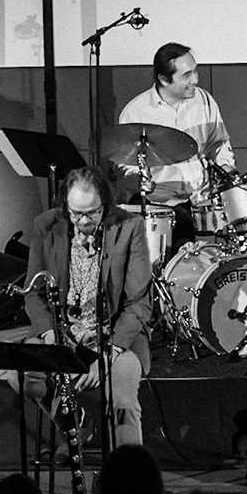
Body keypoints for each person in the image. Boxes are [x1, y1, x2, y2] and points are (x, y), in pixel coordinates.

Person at [22, 166, 153, 448]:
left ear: (104, 204)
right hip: (62, 335)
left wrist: (106, 356)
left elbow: (139, 303)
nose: (83, 221)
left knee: (122, 403)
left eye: (91, 213)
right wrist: (51, 336)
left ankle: (133, 476)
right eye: (76, 213)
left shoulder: (130, 227)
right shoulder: (46, 224)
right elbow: (32, 293)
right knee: (24, 379)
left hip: (115, 338)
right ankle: (77, 423)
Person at [115, 42, 235, 238]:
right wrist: (140, 179)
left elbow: (219, 144)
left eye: (195, 71)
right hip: (162, 206)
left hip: (202, 200)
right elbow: (125, 165)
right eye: (186, 75)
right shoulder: (135, 112)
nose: (195, 79)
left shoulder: (204, 100)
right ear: (164, 79)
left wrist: (227, 168)